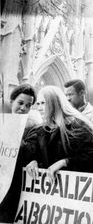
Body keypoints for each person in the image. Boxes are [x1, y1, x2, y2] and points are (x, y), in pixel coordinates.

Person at [23, 85, 93, 183]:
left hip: (75, 189)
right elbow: (35, 154)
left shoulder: (78, 127)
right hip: (51, 191)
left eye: (43, 103)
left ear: (55, 103)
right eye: (38, 104)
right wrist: (33, 162)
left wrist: (65, 162)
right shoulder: (41, 131)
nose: (39, 108)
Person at [0, 83, 40, 223]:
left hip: (14, 188)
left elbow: (30, 153)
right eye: (20, 103)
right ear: (12, 101)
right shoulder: (1, 122)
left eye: (28, 105)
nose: (23, 108)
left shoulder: (32, 128)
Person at [64, 79, 93, 173]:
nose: (67, 98)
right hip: (69, 168)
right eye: (66, 95)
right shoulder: (67, 116)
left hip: (87, 169)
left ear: (82, 93)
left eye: (70, 94)